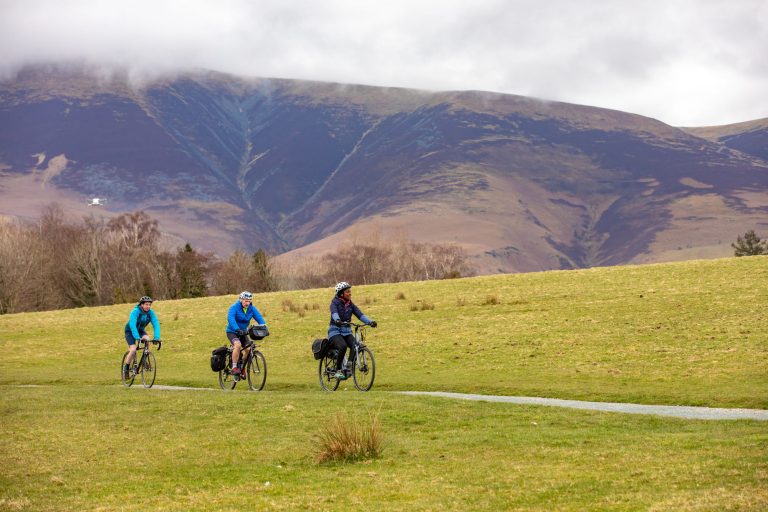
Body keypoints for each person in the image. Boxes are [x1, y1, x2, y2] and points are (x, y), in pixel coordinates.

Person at [328, 281, 377, 380]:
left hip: (346, 332)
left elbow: (360, 315)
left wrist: (370, 322)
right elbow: (334, 313)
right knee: (343, 346)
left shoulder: (350, 304)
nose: (350, 293)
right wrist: (337, 320)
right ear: (341, 293)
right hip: (335, 331)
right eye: (347, 292)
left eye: (350, 291)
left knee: (355, 345)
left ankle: (349, 367)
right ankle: (338, 371)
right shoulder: (335, 303)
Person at [226, 291, 267, 381]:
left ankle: (242, 367)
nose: (247, 303)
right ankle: (234, 367)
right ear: (241, 300)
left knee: (248, 350)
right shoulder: (234, 307)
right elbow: (231, 319)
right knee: (237, 345)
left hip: (243, 332)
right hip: (232, 332)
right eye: (245, 301)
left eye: (249, 301)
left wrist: (264, 327)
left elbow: (259, 318)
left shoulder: (252, 309)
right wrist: (237, 329)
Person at [123, 296, 161, 380]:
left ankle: (144, 360)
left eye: (149, 305)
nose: (148, 306)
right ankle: (126, 368)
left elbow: (156, 324)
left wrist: (157, 337)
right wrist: (137, 337)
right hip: (130, 331)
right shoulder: (135, 312)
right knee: (132, 350)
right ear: (142, 305)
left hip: (140, 330)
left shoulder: (151, 313)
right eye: (146, 304)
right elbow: (132, 325)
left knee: (147, 340)